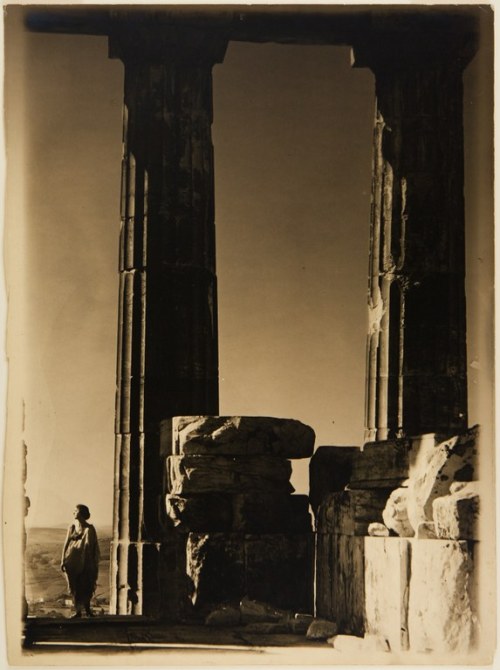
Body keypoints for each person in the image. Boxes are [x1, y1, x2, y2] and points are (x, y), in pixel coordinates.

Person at [61, 504, 100, 618]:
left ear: (81, 513)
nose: (73, 512)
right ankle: (78, 611)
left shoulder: (89, 529)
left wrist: (90, 564)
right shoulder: (72, 527)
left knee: (86, 585)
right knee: (75, 586)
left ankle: (87, 610)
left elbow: (90, 548)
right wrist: (62, 559)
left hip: (86, 562)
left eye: (76, 510)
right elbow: (66, 543)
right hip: (73, 561)